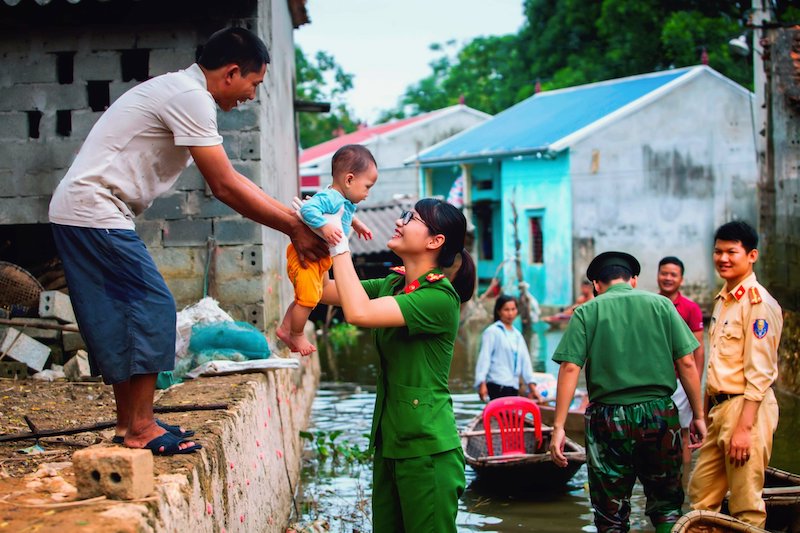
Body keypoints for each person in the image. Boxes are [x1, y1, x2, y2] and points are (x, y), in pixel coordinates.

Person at [47, 27, 327, 456]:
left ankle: (131, 424)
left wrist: (294, 221)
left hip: (93, 210)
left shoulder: (183, 92)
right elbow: (226, 184)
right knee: (151, 305)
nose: (251, 96)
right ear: (232, 72)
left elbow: (231, 181)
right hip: (93, 210)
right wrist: (293, 226)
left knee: (125, 312)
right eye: (254, 84)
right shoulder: (190, 96)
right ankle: (140, 426)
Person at [319, 198, 475, 532]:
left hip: (427, 448)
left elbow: (358, 313)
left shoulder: (439, 298)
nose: (400, 222)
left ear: (435, 242)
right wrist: (318, 230)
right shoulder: (394, 284)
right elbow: (323, 291)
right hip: (391, 442)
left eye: (411, 218)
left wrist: (339, 244)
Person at [549, 251, 707, 533]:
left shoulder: (586, 311)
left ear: (596, 284)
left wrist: (559, 427)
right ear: (633, 280)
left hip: (607, 419)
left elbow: (570, 369)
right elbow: (686, 362)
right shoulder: (662, 305)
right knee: (668, 506)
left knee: (610, 513)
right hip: (659, 415)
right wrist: (698, 415)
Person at [688, 221, 783, 527]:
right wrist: (702, 414)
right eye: (718, 251)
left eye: (732, 252)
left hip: (747, 410)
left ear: (751, 255)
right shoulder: (723, 301)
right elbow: (716, 364)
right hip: (720, 410)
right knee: (700, 499)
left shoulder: (758, 303)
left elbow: (761, 372)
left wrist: (744, 429)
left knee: (746, 505)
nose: (723, 258)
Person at [277, 144, 375, 355]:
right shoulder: (330, 197)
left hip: (317, 258)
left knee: (309, 294)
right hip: (306, 256)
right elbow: (308, 209)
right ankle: (296, 333)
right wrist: (323, 225)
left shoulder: (342, 201)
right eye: (367, 186)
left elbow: (344, 214)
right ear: (349, 180)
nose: (368, 193)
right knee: (309, 298)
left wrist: (357, 224)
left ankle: (285, 328)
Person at [656, 256, 705, 486]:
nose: (667, 278)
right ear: (658, 275)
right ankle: (658, 482)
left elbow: (698, 350)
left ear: (681, 279)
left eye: (673, 274)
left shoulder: (691, 309)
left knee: (683, 433)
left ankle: (683, 483)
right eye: (664, 273)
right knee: (654, 435)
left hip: (681, 382)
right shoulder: (651, 304)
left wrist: (695, 382)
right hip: (654, 381)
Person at [474, 294, 544, 403]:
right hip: (497, 385)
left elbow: (525, 363)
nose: (510, 313)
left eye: (513, 309)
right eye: (506, 310)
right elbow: (484, 358)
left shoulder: (517, 335)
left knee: (510, 418)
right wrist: (481, 383)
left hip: (513, 386)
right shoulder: (492, 332)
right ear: (499, 311)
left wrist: (532, 388)